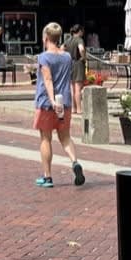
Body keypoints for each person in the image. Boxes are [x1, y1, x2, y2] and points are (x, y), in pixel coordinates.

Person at [31, 22, 84, 188]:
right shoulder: (66, 56)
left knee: (46, 138)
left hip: (47, 103)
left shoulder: (44, 57)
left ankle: (47, 177)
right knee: (65, 137)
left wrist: (52, 100)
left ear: (46, 37)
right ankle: (75, 162)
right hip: (65, 102)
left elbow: (47, 80)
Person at [65, 24, 87, 114]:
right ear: (80, 31)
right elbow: (81, 49)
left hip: (70, 64)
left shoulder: (68, 40)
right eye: (82, 31)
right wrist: (84, 57)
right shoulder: (79, 39)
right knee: (78, 88)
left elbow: (61, 48)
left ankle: (73, 108)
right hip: (78, 64)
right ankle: (79, 109)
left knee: (72, 88)